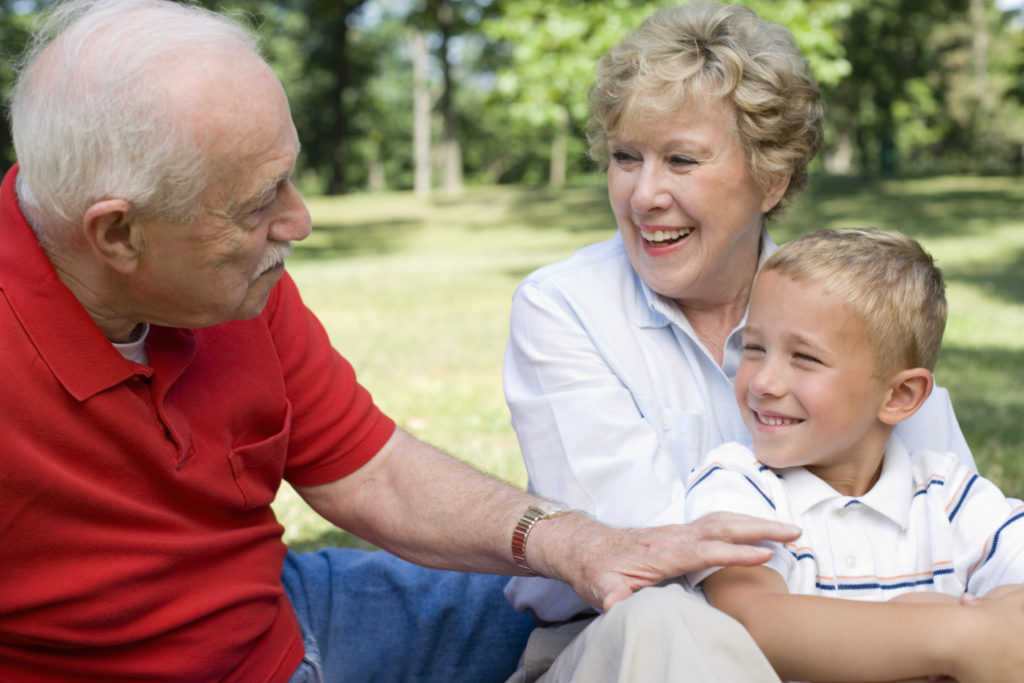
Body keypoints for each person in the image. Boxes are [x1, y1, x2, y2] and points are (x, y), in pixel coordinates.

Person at [0, 1, 807, 682]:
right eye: (256, 207)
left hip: (289, 606)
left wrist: (573, 542)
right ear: (118, 234)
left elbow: (373, 471)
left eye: (288, 175)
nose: (299, 221)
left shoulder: (238, 286)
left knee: (619, 610)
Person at [503, 1, 976, 679]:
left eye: (682, 160)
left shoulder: (848, 311)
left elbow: (953, 509)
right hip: (627, 646)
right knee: (661, 619)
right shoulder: (564, 307)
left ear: (771, 178)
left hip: (874, 649)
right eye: (625, 157)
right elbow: (649, 559)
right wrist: (948, 634)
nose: (644, 195)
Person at [685, 227, 1024, 682]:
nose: (764, 381)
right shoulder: (738, 484)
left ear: (900, 395)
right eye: (754, 349)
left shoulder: (950, 497)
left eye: (804, 358)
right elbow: (754, 624)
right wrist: (954, 631)